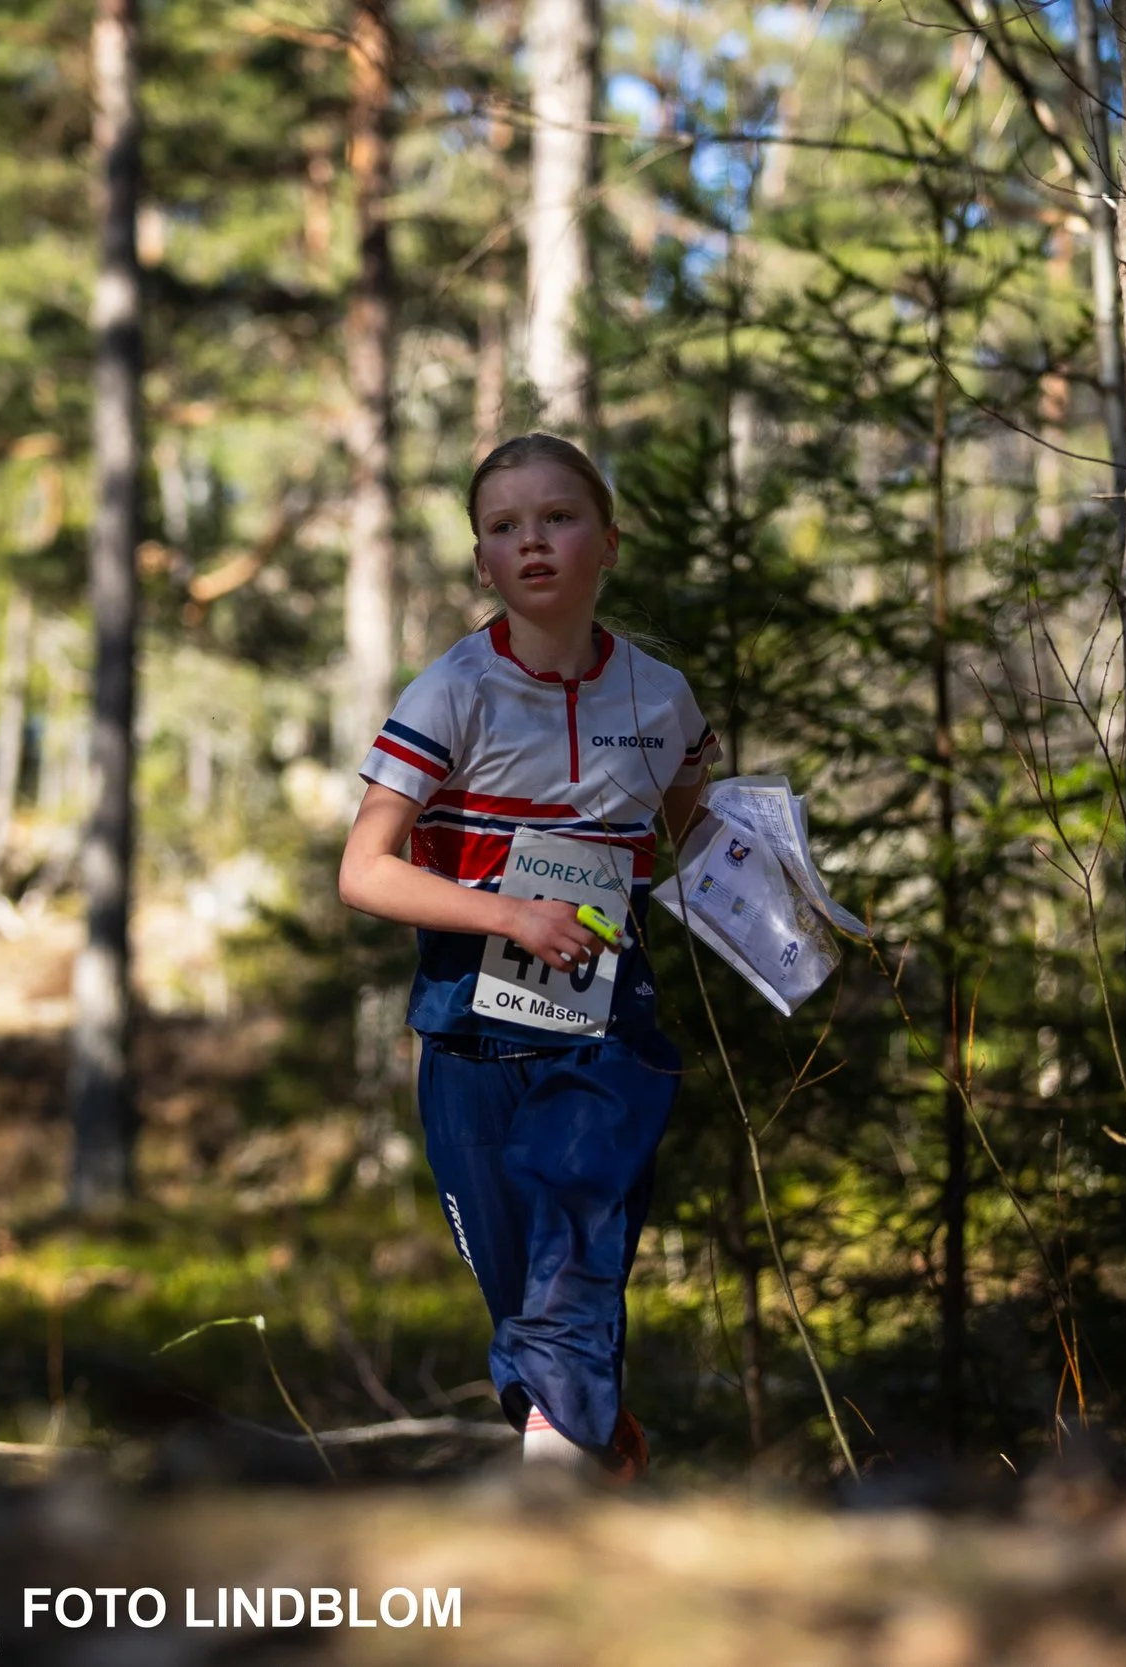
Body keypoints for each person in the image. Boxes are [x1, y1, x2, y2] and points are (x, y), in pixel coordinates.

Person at [337, 432, 715, 1479]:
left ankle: (559, 1468)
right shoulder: (449, 691)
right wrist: (510, 914)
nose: (532, 542)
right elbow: (363, 871)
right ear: (482, 563)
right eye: (504, 527)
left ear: (607, 542)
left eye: (556, 517)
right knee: (520, 1290)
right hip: (468, 1032)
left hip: (607, 1024)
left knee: (575, 1255)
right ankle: (585, 1454)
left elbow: (705, 841)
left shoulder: (661, 697)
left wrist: (788, 898)